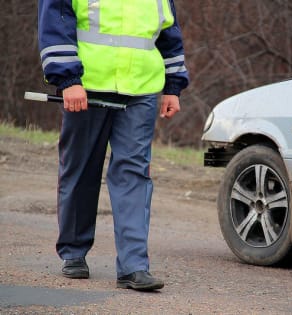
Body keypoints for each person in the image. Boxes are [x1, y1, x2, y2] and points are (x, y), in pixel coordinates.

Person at [38, 0, 189, 291]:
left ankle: (134, 266)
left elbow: (169, 32)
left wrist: (173, 86)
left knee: (133, 173)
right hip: (87, 87)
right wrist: (67, 78)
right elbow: (56, 22)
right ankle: (73, 252)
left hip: (141, 90)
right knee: (81, 169)